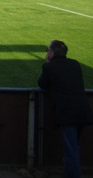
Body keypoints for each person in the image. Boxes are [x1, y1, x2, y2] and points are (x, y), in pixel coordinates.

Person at [38, 40, 93, 177]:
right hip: (83, 111)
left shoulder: (49, 67)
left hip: (67, 114)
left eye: (48, 51)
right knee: (73, 148)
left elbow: (42, 84)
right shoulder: (75, 64)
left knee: (71, 150)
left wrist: (48, 65)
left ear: (51, 53)